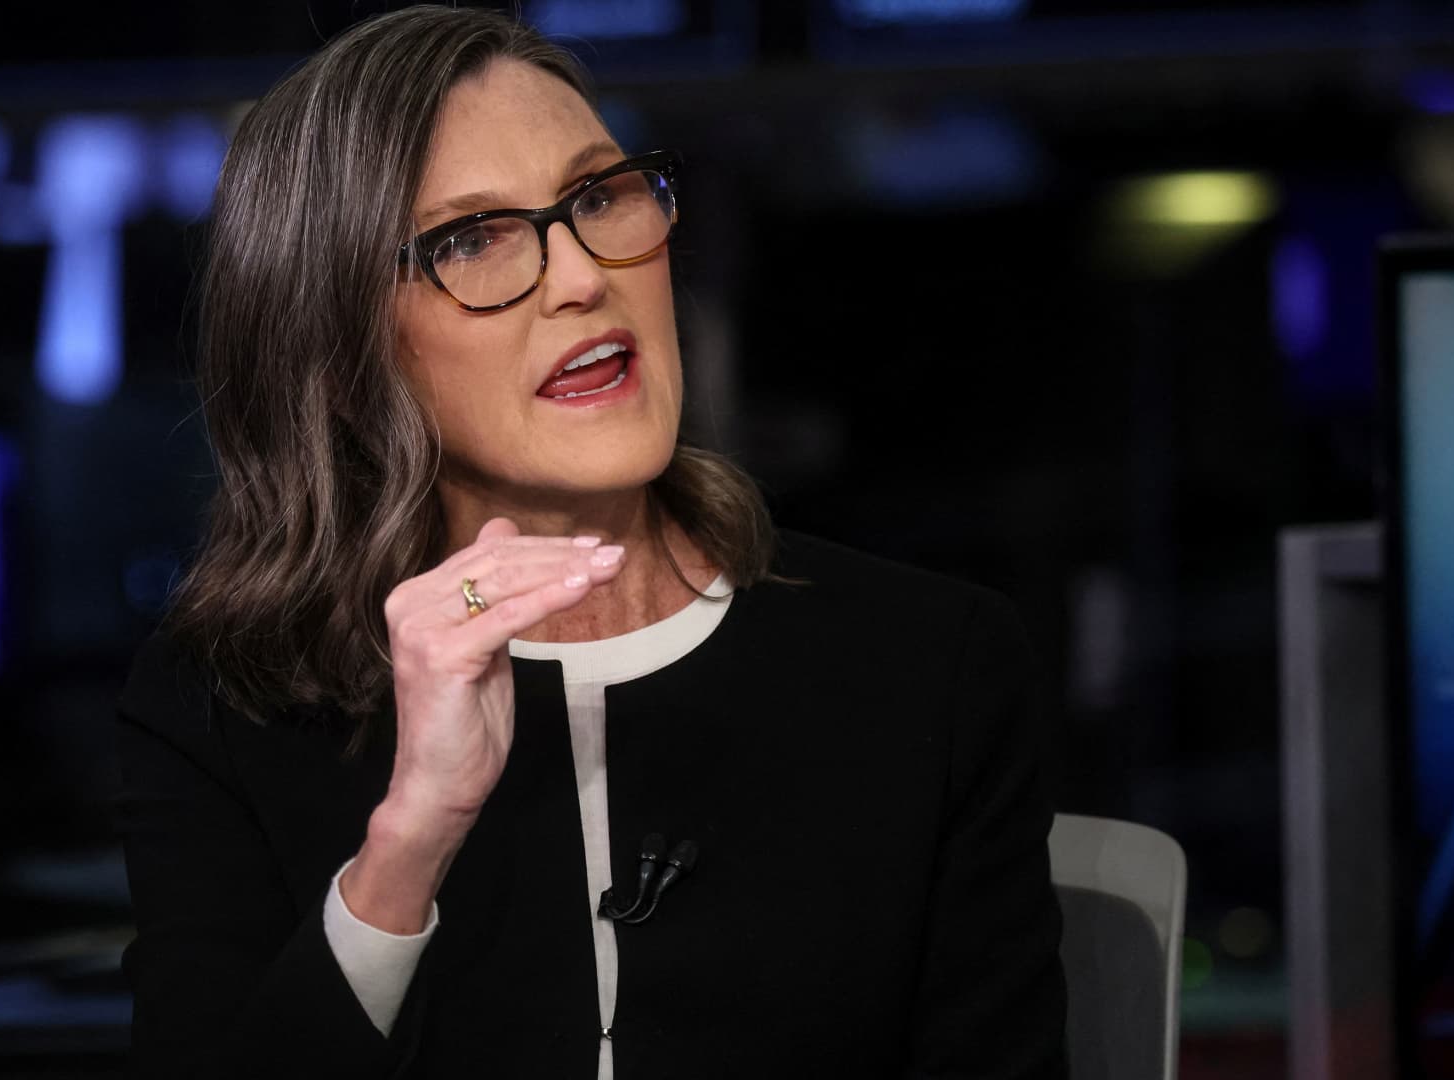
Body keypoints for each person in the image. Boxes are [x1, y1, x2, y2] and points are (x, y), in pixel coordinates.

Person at [115, 6, 1066, 1078]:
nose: (581, 277)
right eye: (472, 239)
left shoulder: (929, 664)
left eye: (600, 197)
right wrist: (409, 843)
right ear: (336, 356)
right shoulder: (223, 705)